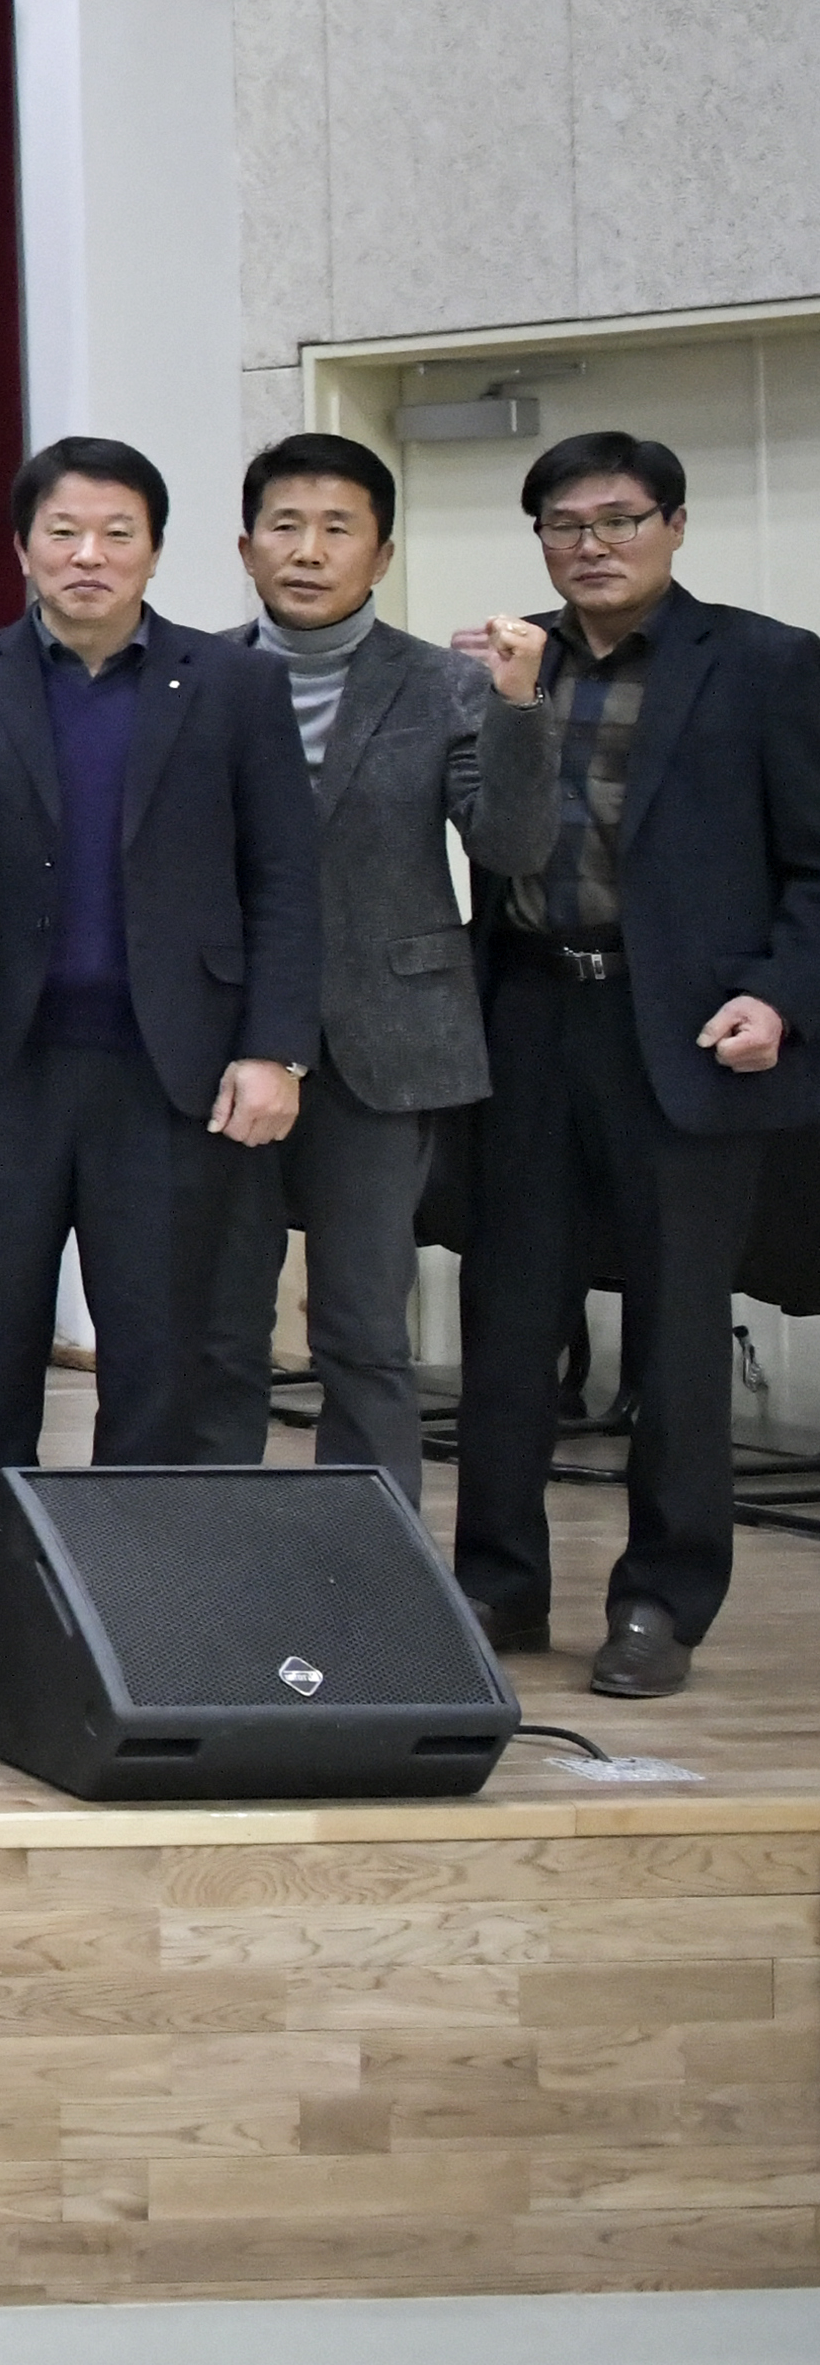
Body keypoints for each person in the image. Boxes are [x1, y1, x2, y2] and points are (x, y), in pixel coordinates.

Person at [0, 436, 320, 1686]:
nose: (89, 556)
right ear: (23, 547)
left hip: (168, 1075)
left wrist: (274, 1044)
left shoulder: (226, 686)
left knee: (153, 1357)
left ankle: (143, 1610)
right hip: (8, 1069)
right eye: (63, 532)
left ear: (156, 550)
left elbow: (284, 877)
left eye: (117, 533)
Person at [451, 431, 820, 1699]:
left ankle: (663, 1600)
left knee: (676, 1336)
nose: (592, 543)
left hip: (691, 1032)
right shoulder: (512, 666)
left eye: (618, 518)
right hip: (530, 1018)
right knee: (508, 1322)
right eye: (564, 523)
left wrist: (779, 995)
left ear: (674, 524)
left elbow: (817, 868)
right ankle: (495, 1587)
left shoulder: (769, 666)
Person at [193, 434, 552, 1491]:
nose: (309, 551)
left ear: (382, 553)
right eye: (285, 527)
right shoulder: (193, 678)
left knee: (361, 1330)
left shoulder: (445, 682)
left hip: (384, 1039)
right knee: (219, 1326)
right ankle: (214, 1565)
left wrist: (521, 709)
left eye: (337, 528)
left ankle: (370, 1583)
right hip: (223, 1038)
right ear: (246, 548)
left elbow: (514, 848)